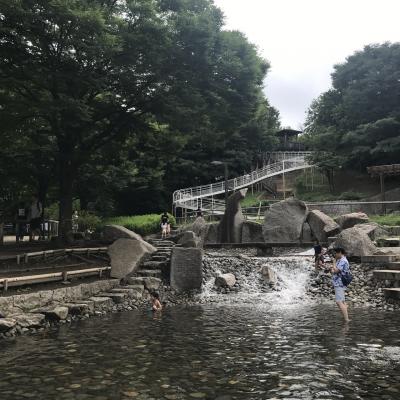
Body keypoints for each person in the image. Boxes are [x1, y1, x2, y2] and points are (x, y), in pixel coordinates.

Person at [331, 247, 351, 323]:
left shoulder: (343, 261)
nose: (334, 255)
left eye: (335, 253)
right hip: (338, 282)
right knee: (342, 301)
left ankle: (346, 320)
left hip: (340, 283)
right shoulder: (340, 260)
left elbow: (335, 270)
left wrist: (333, 263)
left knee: (339, 302)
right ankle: (346, 317)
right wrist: (334, 268)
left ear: (339, 252)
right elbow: (333, 270)